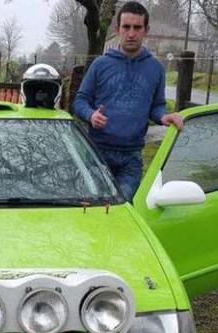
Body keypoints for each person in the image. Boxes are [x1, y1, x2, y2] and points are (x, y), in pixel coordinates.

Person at [73, 1, 183, 202]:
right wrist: (91, 115)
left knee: (122, 209)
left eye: (137, 27)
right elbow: (80, 101)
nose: (131, 33)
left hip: (131, 158)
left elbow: (156, 106)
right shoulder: (100, 64)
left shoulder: (155, 69)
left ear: (146, 30)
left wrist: (164, 116)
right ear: (117, 29)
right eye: (126, 27)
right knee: (93, 208)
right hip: (97, 153)